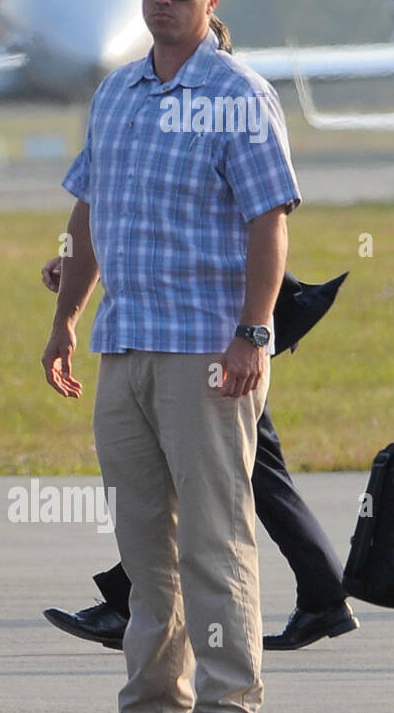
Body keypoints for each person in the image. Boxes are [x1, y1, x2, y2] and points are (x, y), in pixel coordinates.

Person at [42, 0, 300, 713]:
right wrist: (66, 319)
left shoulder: (238, 93)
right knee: (142, 539)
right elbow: (88, 212)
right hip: (128, 345)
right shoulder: (117, 92)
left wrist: (253, 333)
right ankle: (153, 707)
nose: (161, 1)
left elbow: (270, 222)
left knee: (215, 536)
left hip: (207, 348)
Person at [38, 261, 356, 651]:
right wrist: (94, 261)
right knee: (256, 473)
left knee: (204, 476)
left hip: (212, 340)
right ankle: (323, 593)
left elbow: (194, 238)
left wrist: (97, 262)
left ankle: (132, 604)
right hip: (211, 337)